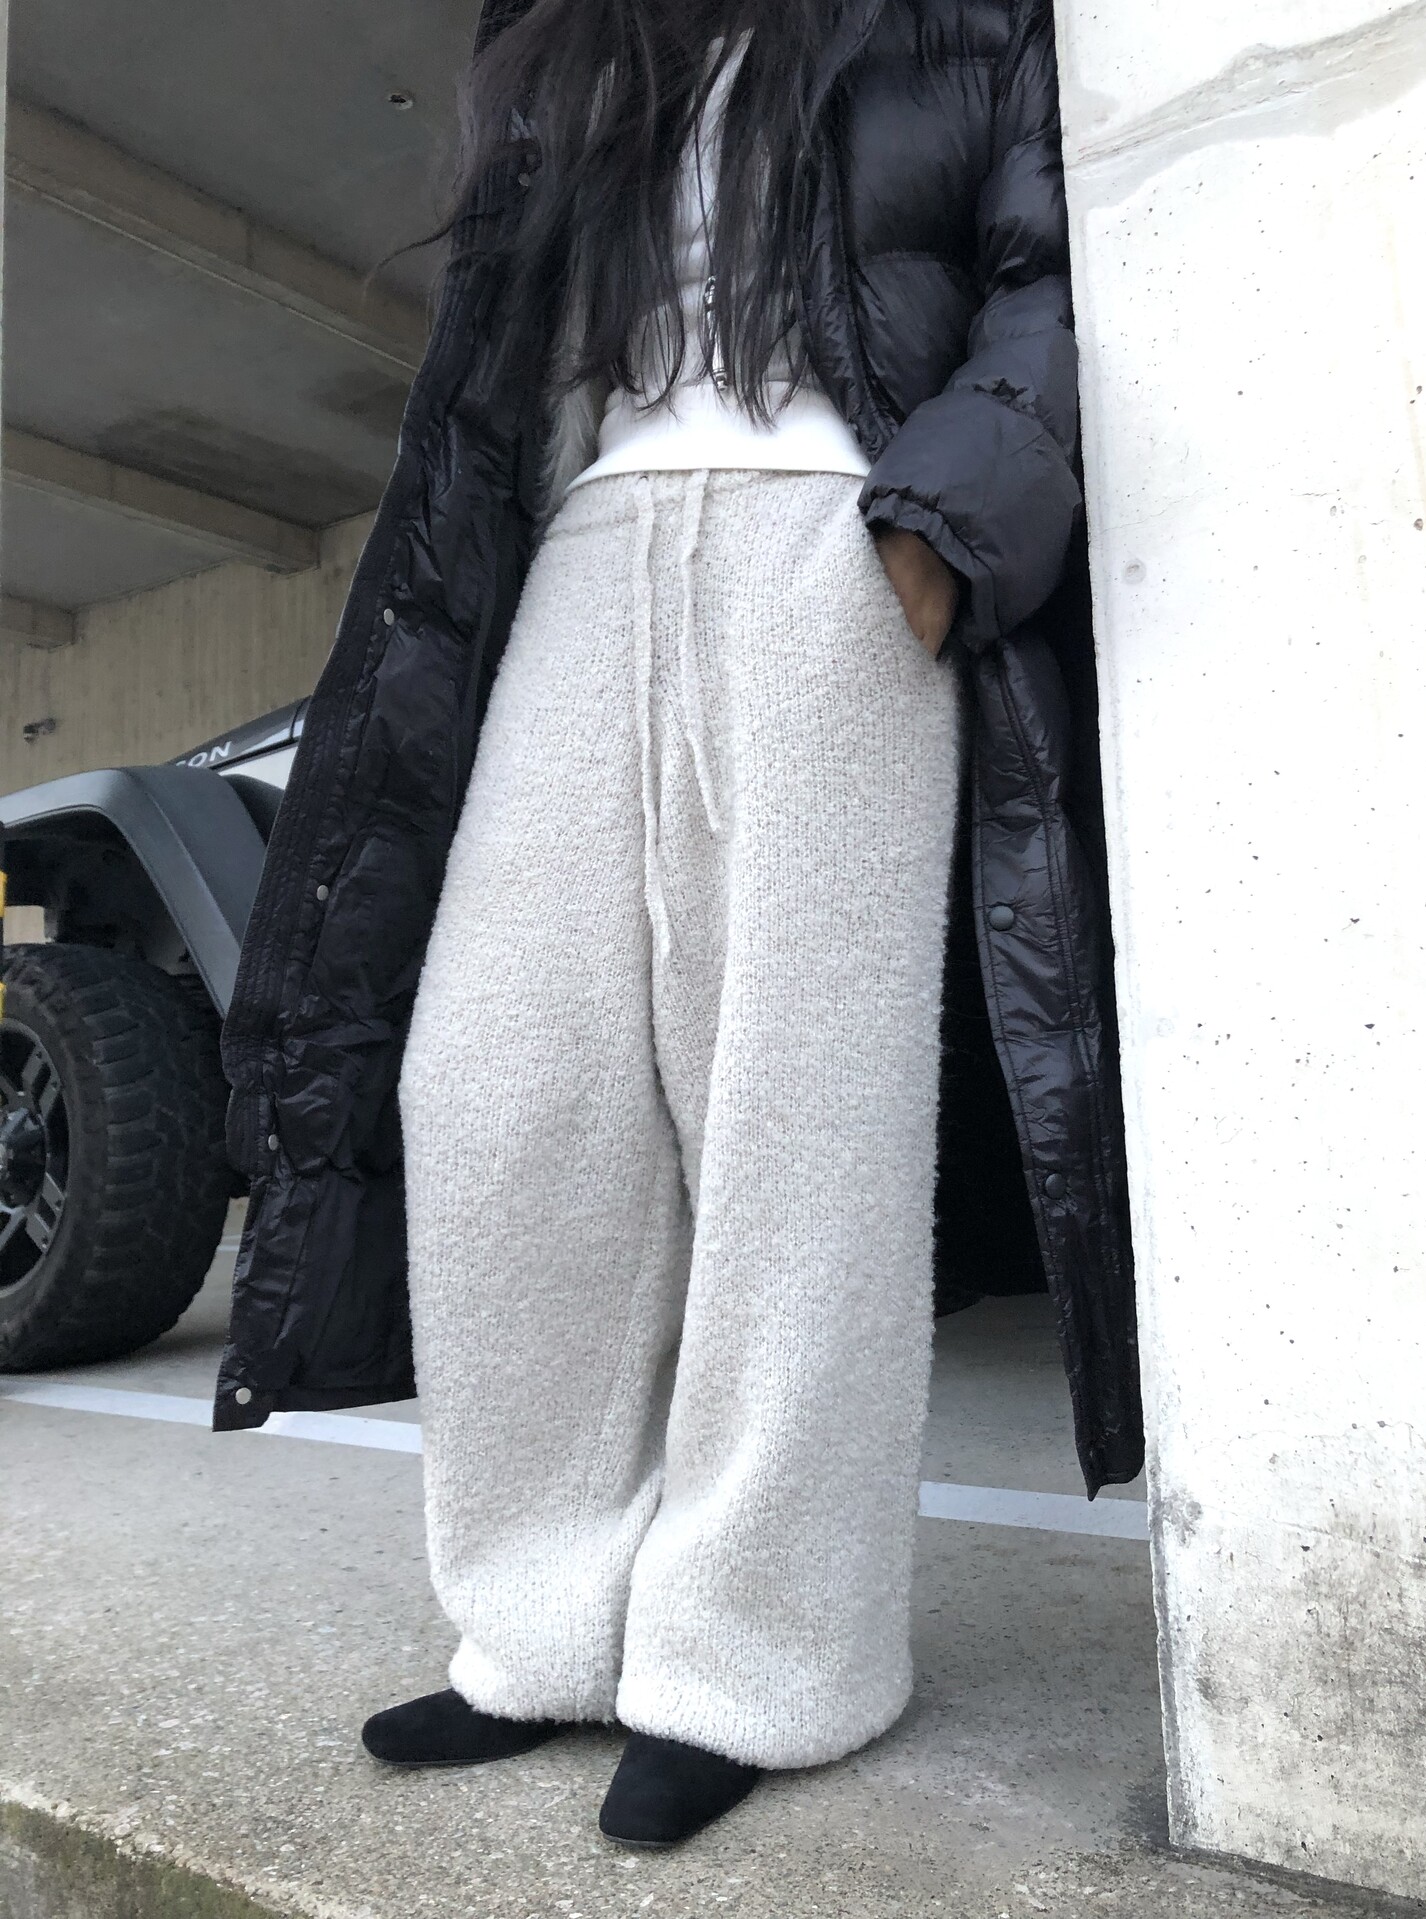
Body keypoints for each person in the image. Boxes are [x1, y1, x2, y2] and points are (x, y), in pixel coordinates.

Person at [213, 0, 1143, 1851]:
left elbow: (1056, 270)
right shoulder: (572, 40)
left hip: (839, 533)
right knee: (500, 1091)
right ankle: (541, 1628)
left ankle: (758, 1660)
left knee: (798, 1122)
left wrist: (932, 535)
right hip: (586, 545)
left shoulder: (954, 12)